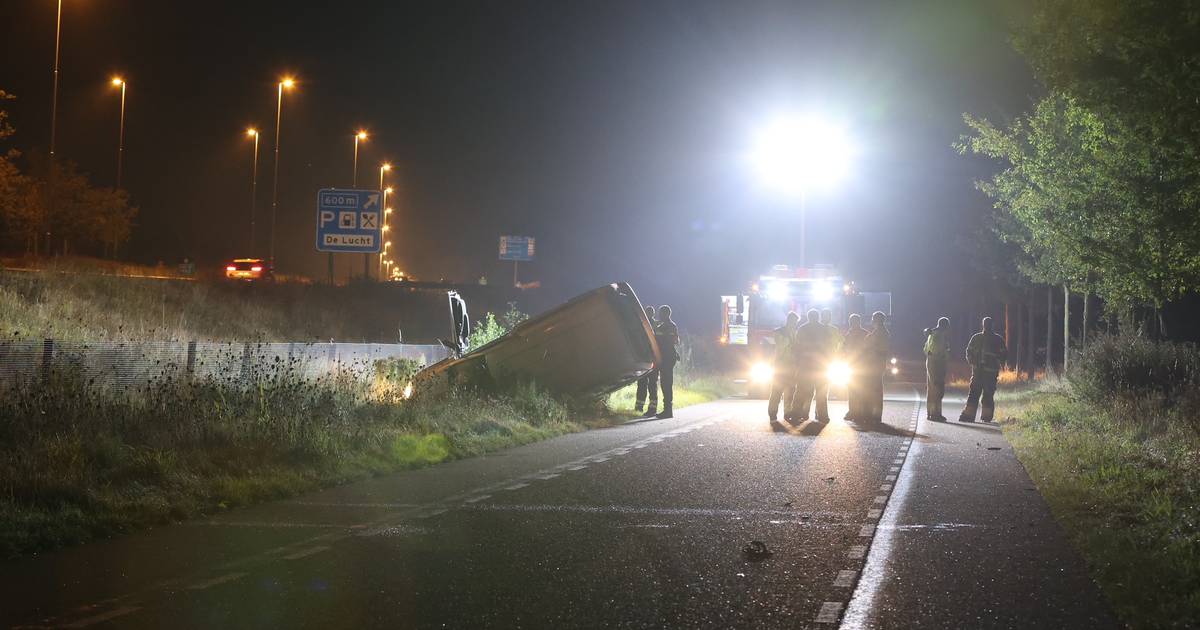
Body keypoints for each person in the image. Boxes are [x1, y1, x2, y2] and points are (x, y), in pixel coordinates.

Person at [960, 316, 1007, 423]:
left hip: (990, 372)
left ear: (991, 325)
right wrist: (973, 362)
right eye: (986, 324)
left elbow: (1004, 354)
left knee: (987, 394)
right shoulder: (978, 338)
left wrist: (998, 361)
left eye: (988, 324)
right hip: (980, 372)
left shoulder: (997, 339)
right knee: (975, 393)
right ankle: (971, 415)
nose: (987, 326)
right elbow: (969, 352)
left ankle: (985, 416)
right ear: (983, 325)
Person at [767, 311, 800, 426]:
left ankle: (787, 413)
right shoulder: (779, 331)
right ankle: (772, 413)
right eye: (793, 321)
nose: (794, 323)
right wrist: (792, 341)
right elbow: (781, 345)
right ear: (788, 320)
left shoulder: (796, 332)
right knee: (776, 391)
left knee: (790, 391)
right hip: (780, 366)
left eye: (796, 322)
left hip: (792, 366)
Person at [792, 309, 825, 422]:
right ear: (818, 317)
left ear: (808, 317)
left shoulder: (802, 328)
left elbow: (797, 346)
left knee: (801, 390)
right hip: (820, 365)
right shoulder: (823, 329)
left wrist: (797, 362)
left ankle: (797, 413)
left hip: (805, 364)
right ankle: (821, 415)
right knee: (820, 391)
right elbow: (828, 346)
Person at [814, 309, 843, 422]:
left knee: (821, 389)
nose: (827, 317)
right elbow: (840, 343)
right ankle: (822, 414)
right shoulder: (829, 329)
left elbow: (841, 343)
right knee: (821, 389)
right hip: (822, 362)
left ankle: (818, 412)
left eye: (828, 315)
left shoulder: (831, 329)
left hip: (825, 362)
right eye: (825, 315)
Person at [863, 311, 890, 423]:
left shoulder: (881, 332)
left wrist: (869, 345)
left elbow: (878, 348)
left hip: (875, 364)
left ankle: (874, 415)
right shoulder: (879, 331)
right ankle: (874, 414)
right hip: (875, 363)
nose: (872, 320)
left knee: (874, 390)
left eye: (874, 318)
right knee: (875, 389)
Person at [654, 304, 680, 419]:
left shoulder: (670, 326)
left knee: (666, 383)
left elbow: (673, 341)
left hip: (668, 357)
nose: (659, 315)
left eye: (661, 313)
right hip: (665, 356)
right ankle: (667, 410)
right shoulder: (662, 326)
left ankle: (668, 411)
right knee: (665, 383)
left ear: (666, 314)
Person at [923, 317, 951, 422]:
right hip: (937, 363)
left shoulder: (932, 334)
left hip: (930, 361)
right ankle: (936, 414)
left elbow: (925, 349)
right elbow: (938, 351)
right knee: (937, 388)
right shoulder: (939, 335)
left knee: (931, 388)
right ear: (945, 326)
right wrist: (943, 355)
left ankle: (930, 413)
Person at [842, 313, 869, 421]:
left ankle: (859, 412)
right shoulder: (850, 334)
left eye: (853, 321)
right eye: (851, 321)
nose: (851, 323)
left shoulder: (864, 334)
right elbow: (844, 348)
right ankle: (854, 411)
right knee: (853, 389)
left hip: (860, 365)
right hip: (852, 365)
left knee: (859, 389)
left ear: (858, 322)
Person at [635, 305, 659, 416]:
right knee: (643, 384)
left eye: (649, 313)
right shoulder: (643, 325)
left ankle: (651, 408)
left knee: (651, 384)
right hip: (646, 359)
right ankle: (639, 407)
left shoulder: (652, 325)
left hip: (651, 359)